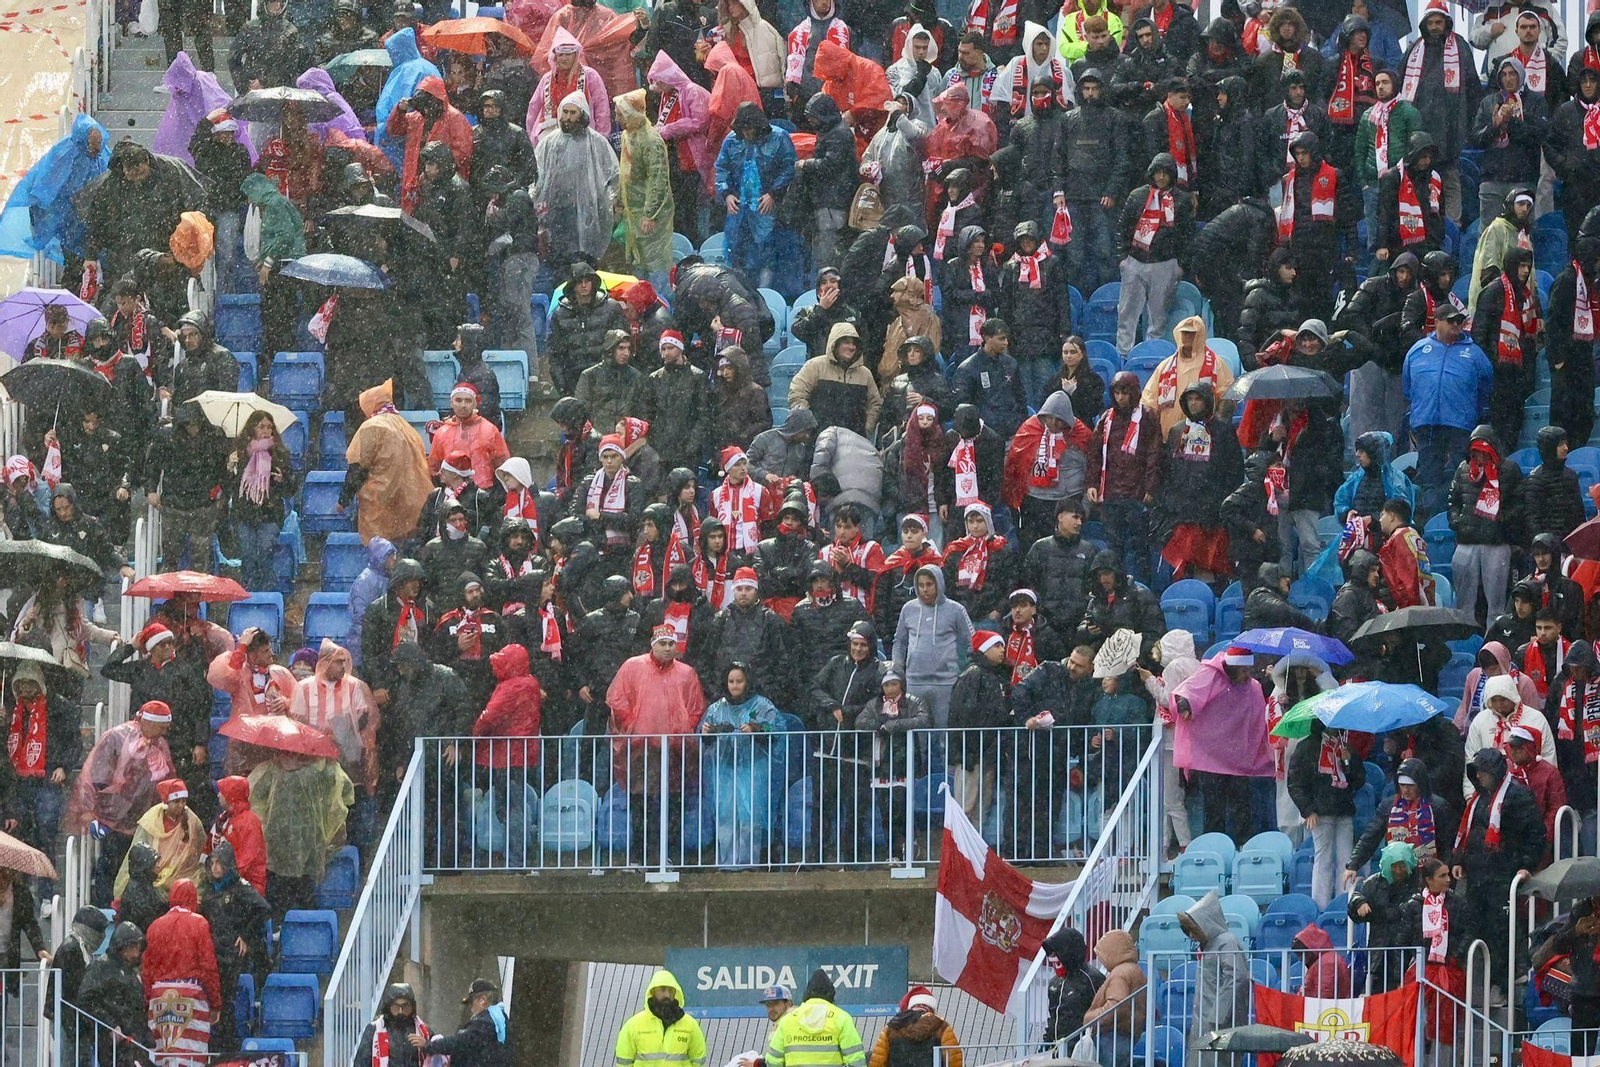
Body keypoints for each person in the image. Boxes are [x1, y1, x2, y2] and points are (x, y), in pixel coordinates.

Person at [606, 626, 707, 864]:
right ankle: (639, 857)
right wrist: (635, 724)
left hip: (674, 750)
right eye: (663, 644)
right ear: (653, 644)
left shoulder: (686, 673)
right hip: (642, 750)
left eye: (672, 644)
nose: (667, 648)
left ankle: (667, 855)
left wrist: (682, 731)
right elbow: (617, 698)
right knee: (641, 802)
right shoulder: (633, 666)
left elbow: (696, 707)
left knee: (673, 802)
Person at [1171, 647, 1273, 842]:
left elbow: (1258, 718)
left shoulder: (1253, 687)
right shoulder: (1209, 675)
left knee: (1241, 805)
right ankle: (1213, 845)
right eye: (1244, 670)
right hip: (1212, 758)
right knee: (1214, 806)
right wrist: (1185, 705)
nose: (1247, 675)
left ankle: (1242, 845)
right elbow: (1186, 693)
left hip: (1238, 758)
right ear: (1233, 667)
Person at [1402, 302, 1493, 519]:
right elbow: (1407, 388)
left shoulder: (1475, 353)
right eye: (1450, 320)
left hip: (1460, 426)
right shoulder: (1417, 350)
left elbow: (1486, 387)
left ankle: (1455, 520)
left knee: (1458, 476)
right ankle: (1434, 523)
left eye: (1459, 321)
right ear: (1437, 321)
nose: (1456, 324)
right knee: (1429, 478)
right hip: (1426, 425)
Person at [1116, 154, 1192, 354]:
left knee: (1157, 317)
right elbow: (1124, 228)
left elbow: (1187, 235)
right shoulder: (1137, 196)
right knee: (1126, 314)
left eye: (1165, 173)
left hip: (1165, 263)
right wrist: (1123, 258)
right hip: (1136, 260)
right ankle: (1123, 355)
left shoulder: (1182, 201)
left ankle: (1151, 356)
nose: (1161, 177)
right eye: (1157, 173)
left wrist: (1180, 265)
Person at [533, 94, 619, 269]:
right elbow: (536, 173)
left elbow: (613, 175)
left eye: (573, 112)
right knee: (559, 254)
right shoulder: (549, 141)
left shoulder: (596, 142)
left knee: (585, 255)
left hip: (589, 209)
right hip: (557, 209)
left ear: (582, 115)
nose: (568, 117)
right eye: (565, 112)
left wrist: (609, 203)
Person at [140, 879, 220, 1067]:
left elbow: (147, 969)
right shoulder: (199, 923)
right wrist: (215, 1002)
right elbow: (209, 966)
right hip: (191, 995)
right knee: (190, 1055)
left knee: (164, 1053)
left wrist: (146, 1000)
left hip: (159, 995)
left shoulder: (155, 926)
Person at [715, 104, 796, 288]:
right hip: (738, 207)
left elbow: (788, 168)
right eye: (743, 130)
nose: (747, 134)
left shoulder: (779, 138)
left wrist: (774, 194)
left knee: (767, 251)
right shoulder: (731, 141)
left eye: (750, 129)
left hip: (765, 206)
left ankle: (765, 292)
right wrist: (726, 194)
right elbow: (721, 168)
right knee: (736, 250)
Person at [1288, 720, 1365, 909]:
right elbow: (1296, 783)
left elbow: (1358, 780)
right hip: (1320, 813)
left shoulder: (1345, 747)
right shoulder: (1307, 747)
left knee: (1346, 860)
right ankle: (1321, 907)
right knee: (1323, 860)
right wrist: (1307, 810)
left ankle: (1344, 904)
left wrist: (1348, 761)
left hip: (1344, 810)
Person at [199, 842, 267, 1055]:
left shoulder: (239, 887)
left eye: (220, 863)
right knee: (212, 1001)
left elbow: (263, 909)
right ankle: (214, 1048)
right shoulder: (210, 890)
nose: (215, 868)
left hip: (230, 955)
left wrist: (246, 935)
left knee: (225, 1003)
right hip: (212, 953)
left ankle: (227, 1050)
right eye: (213, 863)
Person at [1177, 891, 1248, 1055]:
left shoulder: (1227, 942)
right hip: (1207, 1021)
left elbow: (1238, 978)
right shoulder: (1212, 945)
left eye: (1193, 930)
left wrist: (1218, 1016)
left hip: (1220, 1024)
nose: (1191, 936)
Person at [788, 322, 882, 439]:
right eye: (846, 342)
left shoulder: (865, 374)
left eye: (854, 344)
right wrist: (809, 428)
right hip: (817, 440)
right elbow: (797, 395)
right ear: (835, 344)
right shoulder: (814, 366)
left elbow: (875, 404)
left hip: (854, 442)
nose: (851, 347)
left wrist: (866, 429)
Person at [79, 922, 149, 1062]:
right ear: (122, 946)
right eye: (132, 947)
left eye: (138, 948)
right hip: (112, 1044)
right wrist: (110, 1026)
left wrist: (147, 1039)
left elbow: (138, 1011)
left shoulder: (131, 973)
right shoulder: (101, 968)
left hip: (132, 1042)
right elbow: (86, 1000)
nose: (136, 953)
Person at [768, 969, 865, 1067]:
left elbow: (773, 1062)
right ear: (831, 993)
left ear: (807, 993)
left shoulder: (788, 1021)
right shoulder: (841, 1018)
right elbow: (856, 1061)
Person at [414, 978, 511, 1067]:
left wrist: (429, 1045)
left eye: (472, 1002)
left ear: (483, 1000)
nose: (471, 1008)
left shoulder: (485, 1022)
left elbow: (459, 1042)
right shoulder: (500, 1020)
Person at [614, 971, 703, 1067]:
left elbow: (698, 1061)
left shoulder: (690, 1025)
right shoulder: (633, 1026)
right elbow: (624, 1063)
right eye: (662, 990)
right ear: (652, 992)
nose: (667, 995)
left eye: (671, 991)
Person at [869, 986, 960, 1067]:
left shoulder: (892, 1026)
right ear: (931, 1008)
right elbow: (953, 1060)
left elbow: (878, 1061)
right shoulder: (941, 1026)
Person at [1039, 926, 1100, 1047]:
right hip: (1058, 1047)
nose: (1053, 957)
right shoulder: (1055, 983)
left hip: (1081, 1048)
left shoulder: (1092, 979)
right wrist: (1047, 1041)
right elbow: (1053, 1017)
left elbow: (1101, 1013)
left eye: (1057, 953)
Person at [209, 776, 266, 897]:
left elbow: (246, 860)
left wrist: (226, 877)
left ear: (231, 796)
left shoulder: (248, 822)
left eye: (222, 792)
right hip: (230, 885)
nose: (218, 795)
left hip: (246, 889)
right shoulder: (226, 818)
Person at [354, 984, 434, 1067]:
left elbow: (442, 1058)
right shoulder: (373, 1030)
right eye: (396, 1007)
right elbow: (361, 1063)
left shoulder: (424, 1031)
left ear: (412, 1007)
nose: (400, 1011)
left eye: (405, 1006)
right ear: (388, 1007)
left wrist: (427, 1045)